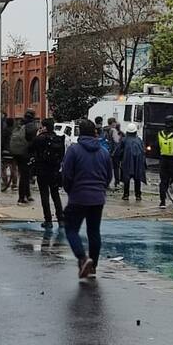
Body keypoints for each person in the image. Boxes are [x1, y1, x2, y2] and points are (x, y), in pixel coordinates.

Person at [62, 118, 113, 279]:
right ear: (95, 132)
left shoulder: (74, 150)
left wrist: (70, 190)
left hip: (78, 196)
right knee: (94, 231)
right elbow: (109, 175)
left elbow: (66, 174)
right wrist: (101, 189)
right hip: (97, 197)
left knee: (71, 229)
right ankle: (93, 266)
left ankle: (83, 258)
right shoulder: (104, 152)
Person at [31, 119, 65, 228]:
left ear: (44, 127)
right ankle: (61, 219)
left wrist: (37, 135)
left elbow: (30, 149)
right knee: (55, 195)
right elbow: (62, 155)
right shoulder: (58, 139)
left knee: (44, 195)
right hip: (54, 171)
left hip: (42, 171)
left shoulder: (39, 139)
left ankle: (48, 220)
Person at [10, 109, 38, 204]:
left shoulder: (20, 123)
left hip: (16, 152)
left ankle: (27, 194)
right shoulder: (32, 126)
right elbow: (33, 142)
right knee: (25, 175)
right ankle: (22, 197)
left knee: (23, 174)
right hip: (25, 153)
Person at [115, 123, 146, 201]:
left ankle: (126, 195)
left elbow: (119, 151)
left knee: (126, 177)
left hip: (127, 160)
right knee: (137, 178)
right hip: (138, 161)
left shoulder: (124, 140)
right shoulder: (139, 140)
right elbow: (143, 151)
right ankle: (138, 195)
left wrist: (118, 159)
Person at [103, 118, 121, 187]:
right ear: (113, 123)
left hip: (106, 151)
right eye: (115, 122)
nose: (116, 124)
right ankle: (117, 183)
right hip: (114, 152)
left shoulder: (104, 129)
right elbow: (117, 141)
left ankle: (105, 183)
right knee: (116, 168)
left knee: (107, 168)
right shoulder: (113, 130)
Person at [0, 117, 17, 192]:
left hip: (5, 152)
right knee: (14, 168)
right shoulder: (16, 131)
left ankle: (5, 182)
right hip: (14, 152)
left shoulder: (4, 131)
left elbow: (1, 141)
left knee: (3, 168)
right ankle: (14, 184)